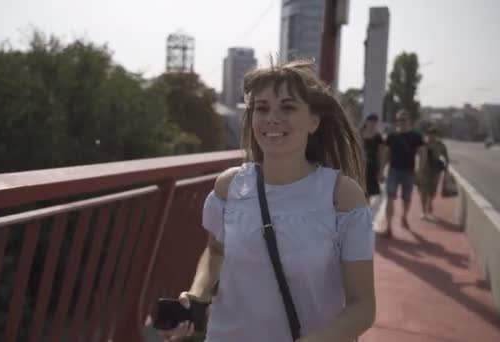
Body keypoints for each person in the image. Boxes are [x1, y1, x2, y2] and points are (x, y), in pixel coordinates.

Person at [160, 60, 375, 342]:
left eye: (287, 107)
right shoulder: (229, 185)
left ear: (314, 121)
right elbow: (215, 251)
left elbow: (363, 306)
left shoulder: (341, 196)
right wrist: (196, 294)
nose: (272, 118)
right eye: (261, 108)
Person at [379, 110, 424, 237]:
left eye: (404, 119)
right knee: (390, 198)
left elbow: (422, 154)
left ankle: (404, 216)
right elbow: (386, 154)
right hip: (393, 171)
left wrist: (420, 171)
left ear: (409, 121)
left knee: (406, 199)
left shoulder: (416, 136)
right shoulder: (392, 136)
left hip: (409, 172)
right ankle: (389, 227)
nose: (401, 122)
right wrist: (381, 171)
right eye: (399, 120)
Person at [417, 126, 449, 219]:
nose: (432, 136)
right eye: (430, 134)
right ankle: (423, 211)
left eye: (434, 135)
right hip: (425, 171)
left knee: (433, 191)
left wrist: (446, 170)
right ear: (428, 135)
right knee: (423, 192)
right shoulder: (423, 144)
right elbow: (417, 155)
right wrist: (418, 170)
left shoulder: (440, 145)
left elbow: (446, 158)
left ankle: (430, 202)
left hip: (435, 172)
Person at [360, 114, 384, 202]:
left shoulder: (378, 137)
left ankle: (366, 214)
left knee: (368, 193)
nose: (372, 124)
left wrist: (381, 171)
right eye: (371, 121)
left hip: (372, 167)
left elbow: (381, 154)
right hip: (360, 167)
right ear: (366, 122)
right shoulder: (358, 134)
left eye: (375, 122)